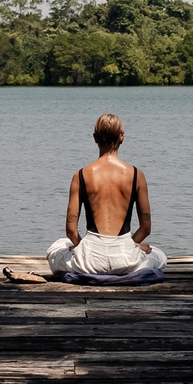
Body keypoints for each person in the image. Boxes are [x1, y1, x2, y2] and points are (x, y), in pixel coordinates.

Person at [44, 113, 168, 284]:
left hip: (89, 262)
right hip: (126, 261)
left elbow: (71, 232)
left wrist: (82, 249)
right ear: (122, 138)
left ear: (95, 138)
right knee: (159, 255)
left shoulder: (80, 175)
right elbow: (146, 228)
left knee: (58, 246)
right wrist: (130, 246)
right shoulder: (137, 175)